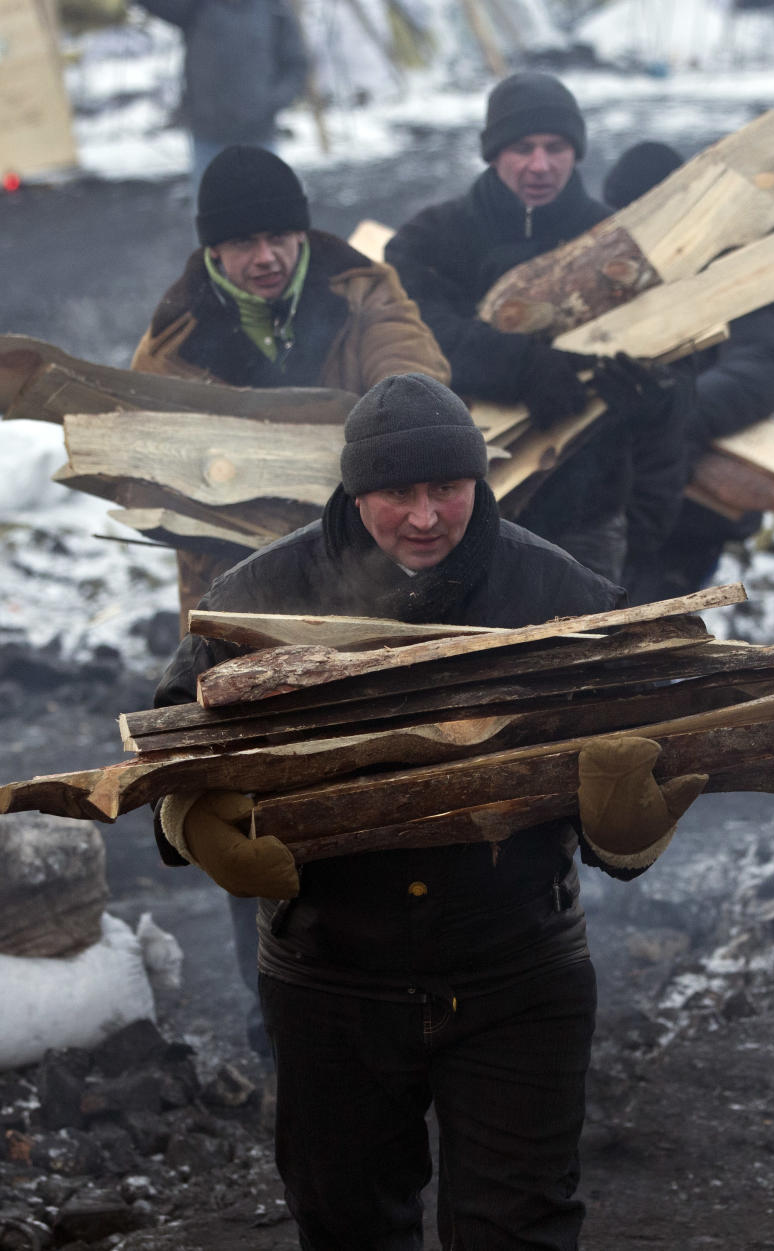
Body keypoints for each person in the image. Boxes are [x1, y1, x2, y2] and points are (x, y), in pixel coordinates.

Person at [151, 372, 706, 1250]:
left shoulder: (557, 595)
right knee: (348, 1225)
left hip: (517, 968)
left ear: (478, 483)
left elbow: (650, 754)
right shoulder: (257, 598)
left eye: (445, 487)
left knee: (517, 1229)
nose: (424, 516)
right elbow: (174, 744)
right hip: (332, 975)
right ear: (354, 489)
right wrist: (193, 823)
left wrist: (631, 826)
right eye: (396, 492)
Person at [133, 146, 449, 1056]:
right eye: (242, 242)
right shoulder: (178, 337)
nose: (266, 255)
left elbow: (413, 374)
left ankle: (407, 988)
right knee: (251, 794)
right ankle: (274, 1007)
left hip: (372, 587)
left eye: (278, 233)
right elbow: (142, 450)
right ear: (214, 253)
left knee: (382, 773)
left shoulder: (361, 290)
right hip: (240, 603)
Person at [385, 71, 693, 585]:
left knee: (581, 659)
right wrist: (519, 364)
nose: (540, 165)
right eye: (522, 147)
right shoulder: (430, 240)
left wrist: (650, 396)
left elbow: (681, 369)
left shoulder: (618, 244)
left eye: (556, 147)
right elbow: (414, 333)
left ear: (577, 152)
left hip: (584, 516)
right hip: (448, 518)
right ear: (492, 152)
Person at [603, 140, 774, 603]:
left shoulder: (737, 266)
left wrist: (669, 413)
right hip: (609, 498)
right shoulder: (611, 273)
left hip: (690, 506)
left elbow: (768, 364)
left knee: (646, 637)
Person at [138, 0, 309, 190]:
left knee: (266, 209)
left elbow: (296, 65)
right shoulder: (197, 6)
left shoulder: (273, 9)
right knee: (212, 213)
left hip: (258, 135)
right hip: (208, 136)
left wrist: (271, 103)